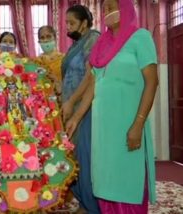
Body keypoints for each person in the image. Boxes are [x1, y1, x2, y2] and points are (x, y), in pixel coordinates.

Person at [65, 0, 158, 213]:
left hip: (128, 123)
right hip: (103, 128)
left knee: (127, 180)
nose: (106, 13)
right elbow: (93, 85)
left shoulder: (140, 37)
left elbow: (152, 82)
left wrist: (138, 124)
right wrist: (76, 118)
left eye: (110, 8)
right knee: (105, 180)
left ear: (124, 8)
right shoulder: (103, 43)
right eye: (104, 9)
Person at [60, 4, 101, 214]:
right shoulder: (75, 44)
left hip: (86, 107)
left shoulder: (93, 39)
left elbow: (90, 75)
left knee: (85, 156)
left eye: (72, 23)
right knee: (72, 156)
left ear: (84, 23)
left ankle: (91, 205)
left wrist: (72, 101)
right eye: (66, 23)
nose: (68, 27)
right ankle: (83, 201)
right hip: (70, 107)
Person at [35, 25, 64, 95]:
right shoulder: (36, 61)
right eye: (42, 38)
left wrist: (57, 81)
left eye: (48, 36)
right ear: (39, 41)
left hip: (61, 98)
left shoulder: (64, 58)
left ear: (55, 38)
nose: (45, 40)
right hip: (42, 99)